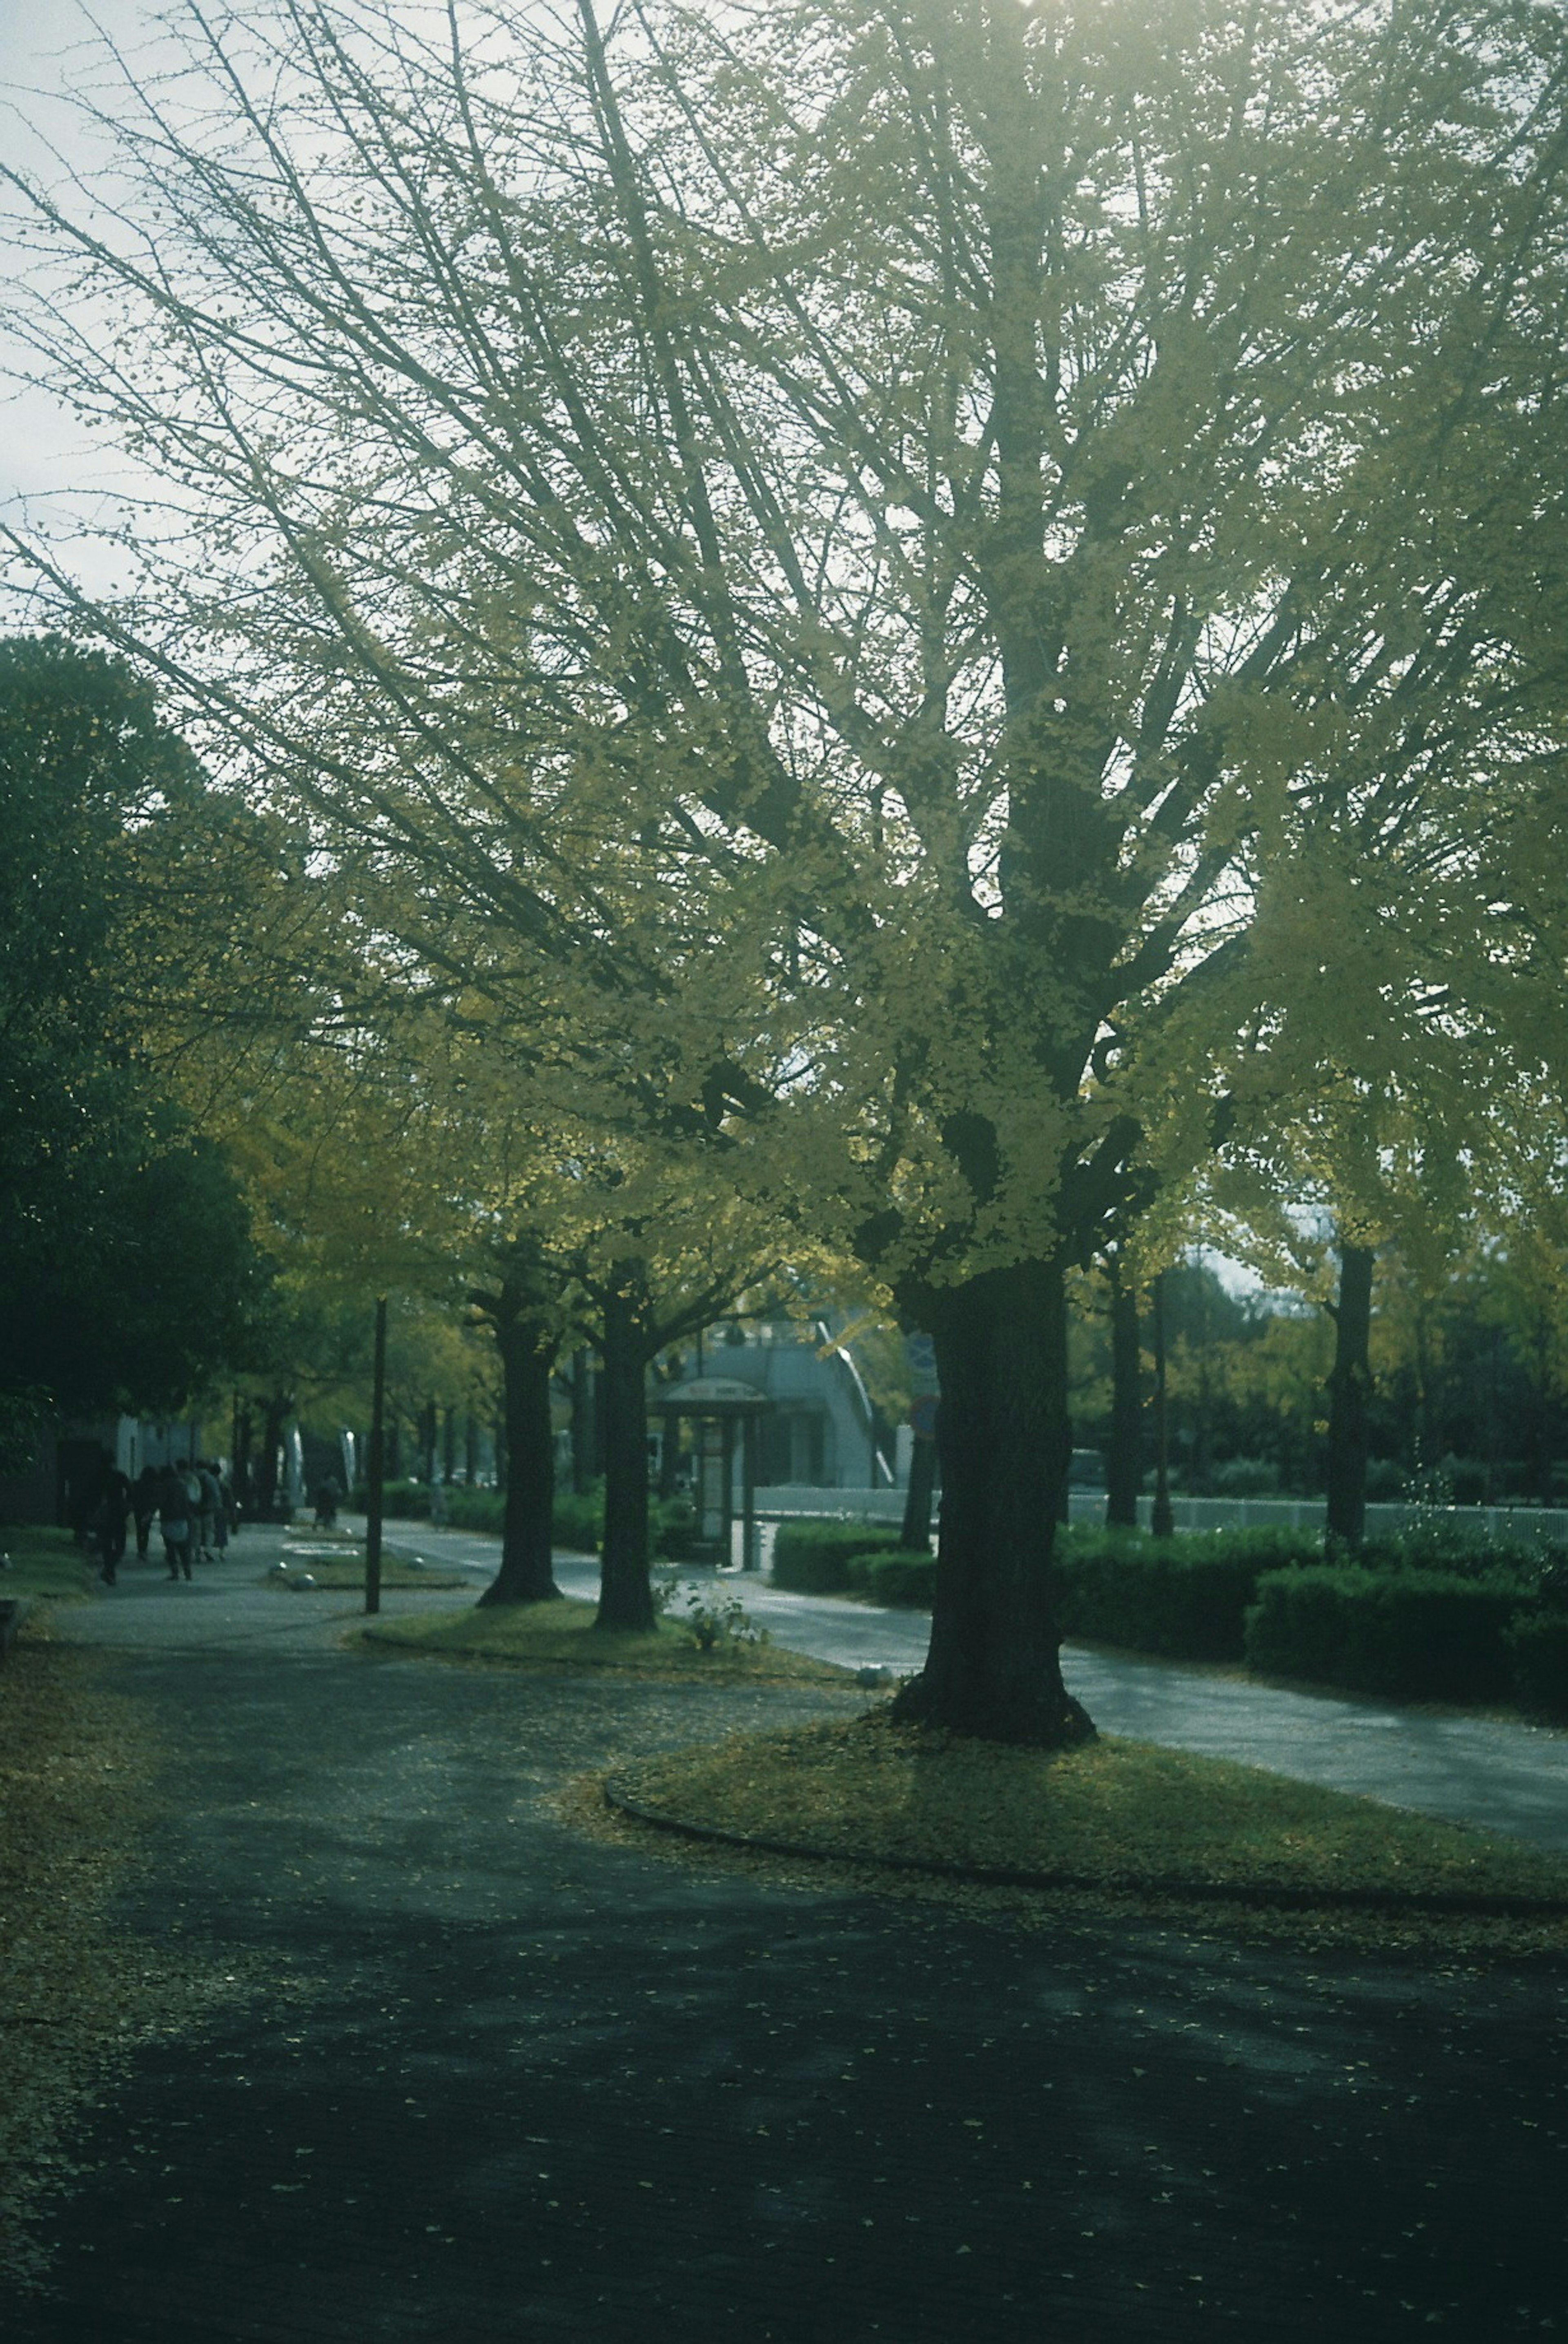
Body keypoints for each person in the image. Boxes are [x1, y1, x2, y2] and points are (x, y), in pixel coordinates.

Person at [92, 1463, 132, 1585]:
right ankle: (109, 1571)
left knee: (107, 1546)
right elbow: (131, 1491)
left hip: (105, 1515)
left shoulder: (98, 1477)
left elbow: (92, 1495)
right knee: (120, 1547)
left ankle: (109, 1571)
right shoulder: (120, 1476)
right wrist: (128, 1506)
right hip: (118, 1514)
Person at [158, 1463, 193, 1582]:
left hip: (168, 1518)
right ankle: (188, 1571)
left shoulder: (164, 1486)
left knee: (170, 1548)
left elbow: (160, 1502)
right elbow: (187, 1502)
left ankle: (175, 1572)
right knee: (183, 1547)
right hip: (182, 1518)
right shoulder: (182, 1485)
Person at [194, 1460, 222, 1562]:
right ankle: (208, 1550)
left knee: (196, 1533)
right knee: (209, 1531)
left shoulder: (193, 1477)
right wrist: (218, 1506)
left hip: (195, 1509)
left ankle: (197, 1552)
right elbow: (216, 1494)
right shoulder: (210, 1478)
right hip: (208, 1509)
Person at [132, 1465, 160, 1562]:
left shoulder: (137, 1484)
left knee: (140, 1530)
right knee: (146, 1530)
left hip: (138, 1510)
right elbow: (156, 1499)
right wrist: (153, 1510)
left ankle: (141, 1550)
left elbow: (133, 1497)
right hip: (148, 1511)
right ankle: (144, 1550)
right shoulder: (155, 1485)